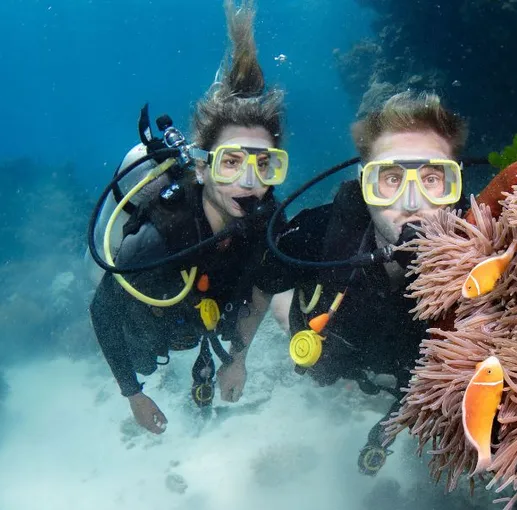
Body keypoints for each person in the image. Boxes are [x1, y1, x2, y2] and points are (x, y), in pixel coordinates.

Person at [90, 0, 292, 434]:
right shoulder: (158, 241)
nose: (248, 182)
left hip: (214, 309)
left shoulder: (268, 222)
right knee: (143, 347)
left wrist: (237, 360)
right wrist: (134, 394)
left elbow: (262, 288)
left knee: (214, 330)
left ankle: (207, 368)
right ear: (201, 167)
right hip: (161, 317)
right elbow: (103, 312)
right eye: (230, 162)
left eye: (264, 165)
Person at [278, 90, 468, 475]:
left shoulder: (489, 253)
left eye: (432, 178)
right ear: (365, 187)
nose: (412, 202)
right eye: (391, 179)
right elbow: (272, 279)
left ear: (456, 187)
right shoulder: (317, 232)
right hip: (349, 358)